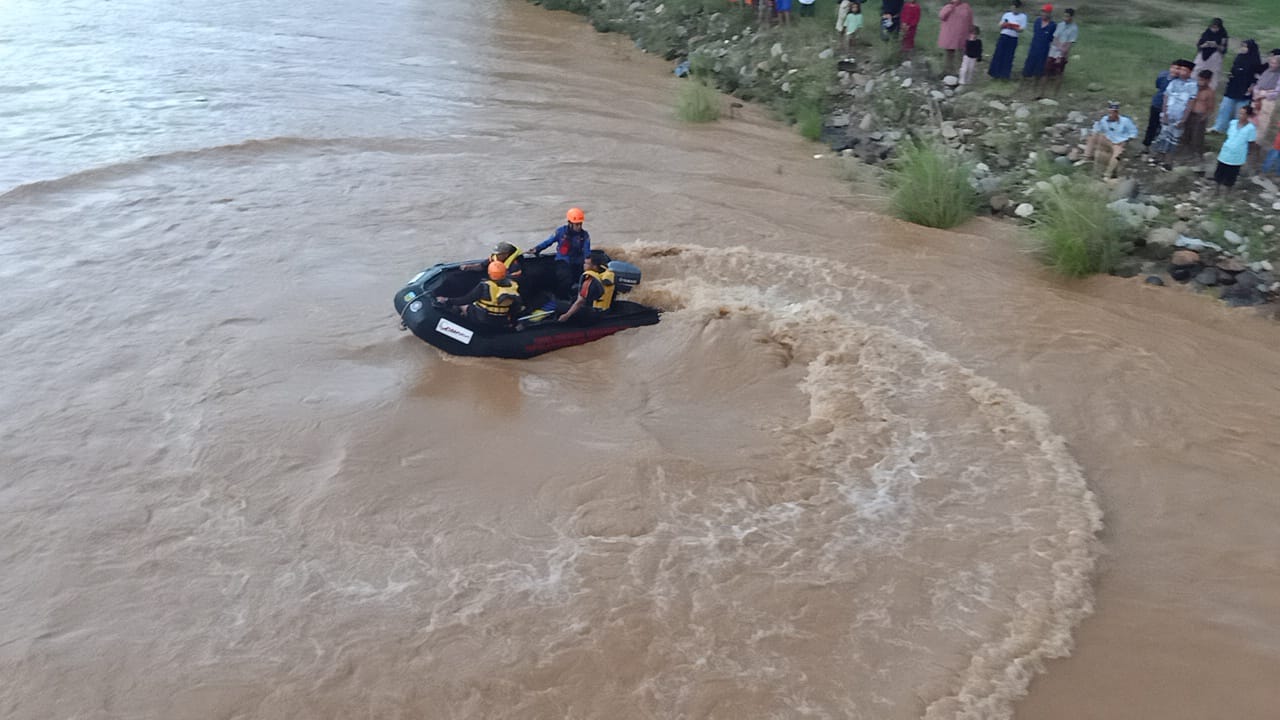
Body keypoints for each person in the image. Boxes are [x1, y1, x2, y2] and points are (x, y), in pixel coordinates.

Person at [436, 261, 523, 327]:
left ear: (489, 273)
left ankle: (456, 323)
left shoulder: (484, 286)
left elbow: (466, 299)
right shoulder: (513, 286)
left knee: (462, 306)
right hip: (501, 320)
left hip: (483, 317)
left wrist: (447, 300)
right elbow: (516, 307)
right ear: (505, 273)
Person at [533, 207, 592, 299]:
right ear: (570, 223)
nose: (579, 227)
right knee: (565, 279)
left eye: (580, 224)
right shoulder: (560, 232)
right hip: (563, 260)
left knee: (583, 278)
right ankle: (562, 298)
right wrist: (537, 249)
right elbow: (548, 242)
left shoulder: (584, 235)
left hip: (578, 261)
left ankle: (579, 297)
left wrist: (588, 265)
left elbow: (587, 251)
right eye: (576, 225)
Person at [1151, 60, 1197, 167]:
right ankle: (1158, 157)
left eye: (1185, 70)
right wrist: (1164, 113)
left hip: (1179, 116)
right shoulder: (1173, 82)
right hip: (1168, 113)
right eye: (1181, 69)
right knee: (1163, 135)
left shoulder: (1192, 85)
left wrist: (1184, 119)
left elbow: (1191, 102)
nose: (1182, 72)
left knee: (1174, 139)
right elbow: (1166, 97)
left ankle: (1168, 162)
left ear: (1190, 72)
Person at [1212, 39, 1262, 133]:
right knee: (1224, 108)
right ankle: (1219, 127)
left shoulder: (1255, 61)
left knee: (1240, 112)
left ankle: (1235, 130)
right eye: (1242, 46)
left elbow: (1257, 76)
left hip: (1245, 89)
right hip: (1233, 87)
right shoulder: (1239, 57)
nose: (1243, 49)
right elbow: (1234, 69)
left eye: (1245, 47)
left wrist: (1252, 86)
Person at [558, 250, 617, 324]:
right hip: (605, 310)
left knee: (558, 305)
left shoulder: (590, 280)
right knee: (573, 298)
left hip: (594, 314)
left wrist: (566, 315)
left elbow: (580, 301)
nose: (584, 265)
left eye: (587, 264)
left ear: (594, 266)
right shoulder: (608, 275)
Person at [1084, 101, 1138, 178]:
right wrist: (1096, 128)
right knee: (1092, 137)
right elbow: (1097, 129)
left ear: (1117, 113)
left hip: (1118, 142)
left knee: (1117, 155)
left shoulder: (1125, 121)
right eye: (1110, 112)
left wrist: (1127, 140)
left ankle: (1108, 174)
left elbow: (1134, 132)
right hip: (1108, 139)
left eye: (1113, 112)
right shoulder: (1104, 119)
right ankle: (1086, 157)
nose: (1111, 115)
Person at [1214, 105, 1257, 195]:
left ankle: (1227, 192)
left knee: (1232, 173)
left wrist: (1249, 154)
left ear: (1248, 116)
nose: (1240, 115)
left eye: (1243, 114)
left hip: (1237, 154)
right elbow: (1228, 135)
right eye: (1240, 113)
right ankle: (1216, 189)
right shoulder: (1233, 123)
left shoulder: (1251, 128)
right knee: (1220, 171)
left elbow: (1251, 142)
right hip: (1226, 151)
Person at [1036, 8, 1077, 97]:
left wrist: (1063, 52)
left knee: (1059, 73)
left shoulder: (1074, 28)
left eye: (1067, 16)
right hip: (1054, 51)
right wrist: (1058, 46)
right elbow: (1055, 37)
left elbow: (1070, 42)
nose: (1065, 18)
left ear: (1071, 17)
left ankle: (1055, 95)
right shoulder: (1060, 25)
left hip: (1062, 53)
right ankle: (1041, 93)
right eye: (1064, 16)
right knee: (1046, 71)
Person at [988, 0, 1027, 80]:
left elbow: (1021, 29)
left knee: (1008, 56)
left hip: (1013, 37)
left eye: (1016, 8)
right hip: (1004, 35)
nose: (1014, 9)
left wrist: (1014, 27)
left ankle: (1004, 74)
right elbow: (1000, 25)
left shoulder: (1023, 16)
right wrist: (1004, 25)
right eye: (1013, 7)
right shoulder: (1007, 14)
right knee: (998, 54)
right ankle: (994, 73)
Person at [1181, 69, 1215, 157]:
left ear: (1208, 81)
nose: (1200, 82)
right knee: (1186, 132)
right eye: (1199, 79)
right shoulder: (1194, 88)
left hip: (1200, 116)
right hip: (1190, 113)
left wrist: (1204, 117)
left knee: (1197, 136)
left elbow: (1210, 107)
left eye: (1203, 80)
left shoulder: (1209, 92)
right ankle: (1184, 150)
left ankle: (1197, 153)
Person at [1142, 63, 1175, 151]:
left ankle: (1159, 148)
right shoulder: (1163, 76)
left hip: (1170, 107)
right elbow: (1158, 85)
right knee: (1152, 125)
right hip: (1157, 104)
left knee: (1164, 128)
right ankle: (1146, 146)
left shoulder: (1179, 81)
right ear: (1171, 67)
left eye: (1178, 69)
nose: (1175, 70)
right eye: (1174, 68)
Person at [937, 0, 974, 75]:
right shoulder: (948, 6)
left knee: (961, 54)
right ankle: (947, 71)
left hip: (962, 35)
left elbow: (970, 21)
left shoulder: (966, 7)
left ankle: (959, 72)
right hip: (950, 35)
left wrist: (971, 33)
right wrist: (950, 8)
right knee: (949, 54)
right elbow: (941, 16)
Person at [1251, 50, 1280, 145]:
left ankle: (1257, 142)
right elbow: (1258, 84)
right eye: (1271, 62)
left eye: (1274, 63)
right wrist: (1256, 93)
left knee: (1263, 122)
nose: (1272, 65)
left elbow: (1276, 92)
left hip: (1268, 100)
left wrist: (1263, 95)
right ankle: (1249, 139)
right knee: (1253, 118)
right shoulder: (1267, 71)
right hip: (1257, 97)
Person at [1191, 18, 1229, 92]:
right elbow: (1199, 45)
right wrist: (1204, 45)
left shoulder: (1223, 35)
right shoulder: (1206, 33)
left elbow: (1223, 49)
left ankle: (1210, 91)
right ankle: (1192, 87)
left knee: (1214, 74)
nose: (1214, 29)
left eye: (1216, 28)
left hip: (1215, 57)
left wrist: (1216, 45)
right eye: (1212, 27)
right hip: (1203, 56)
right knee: (1196, 70)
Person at [1020, 4, 1056, 80]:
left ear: (1049, 13)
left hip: (1044, 48)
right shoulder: (1037, 21)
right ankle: (1027, 74)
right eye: (1042, 12)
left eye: (1045, 12)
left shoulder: (1053, 25)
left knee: (1040, 65)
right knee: (1030, 62)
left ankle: (1038, 76)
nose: (1043, 14)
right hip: (1034, 45)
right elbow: (1035, 32)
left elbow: (1052, 39)